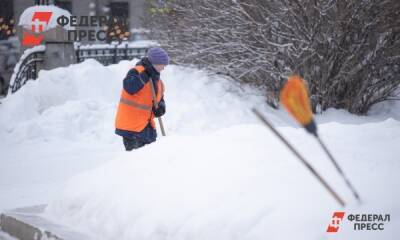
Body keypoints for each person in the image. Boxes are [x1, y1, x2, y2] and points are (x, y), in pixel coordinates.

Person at [115, 47, 168, 151]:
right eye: (162, 64)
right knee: (136, 162)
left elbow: (160, 99)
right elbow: (129, 87)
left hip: (146, 127)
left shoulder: (158, 82)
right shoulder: (136, 72)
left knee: (150, 159)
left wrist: (160, 108)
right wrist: (145, 75)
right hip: (131, 128)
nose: (164, 68)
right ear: (155, 63)